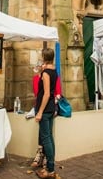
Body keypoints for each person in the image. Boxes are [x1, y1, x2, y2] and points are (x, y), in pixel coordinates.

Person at [34, 48, 58, 179]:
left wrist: (40, 112)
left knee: (46, 138)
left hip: (45, 108)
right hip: (51, 108)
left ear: (44, 57)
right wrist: (40, 72)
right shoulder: (53, 71)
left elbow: (46, 93)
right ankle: (50, 167)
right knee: (49, 136)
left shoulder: (46, 73)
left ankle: (50, 169)